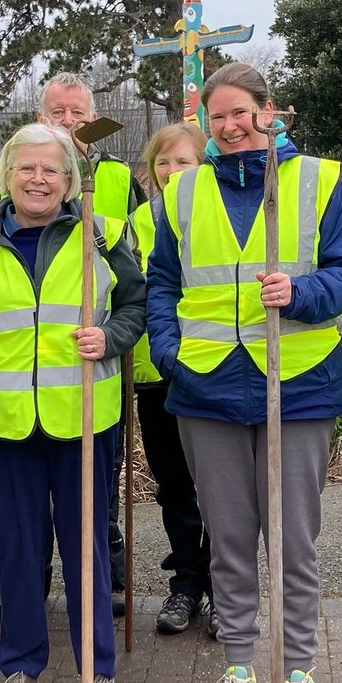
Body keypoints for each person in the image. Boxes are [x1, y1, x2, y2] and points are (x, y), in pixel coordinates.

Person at [145, 62, 342, 683]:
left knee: (293, 542)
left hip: (295, 387)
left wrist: (300, 296)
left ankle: (297, 676)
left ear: (268, 111)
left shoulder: (316, 181)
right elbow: (161, 282)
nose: (230, 125)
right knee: (230, 541)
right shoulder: (183, 191)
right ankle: (240, 670)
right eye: (217, 116)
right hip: (206, 388)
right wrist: (169, 353)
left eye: (242, 111)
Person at [0, 124, 144, 683]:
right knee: (19, 553)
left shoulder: (100, 236)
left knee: (88, 552)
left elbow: (136, 303)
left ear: (70, 180)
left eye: (52, 170)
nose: (39, 179)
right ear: (6, 176)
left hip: (84, 421)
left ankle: (97, 675)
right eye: (26, 168)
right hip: (2, 425)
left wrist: (111, 336)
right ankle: (20, 671)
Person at [0, 72, 145, 618]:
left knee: (92, 510)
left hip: (87, 383)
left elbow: (135, 280)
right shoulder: (21, 167)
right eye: (59, 112)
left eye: (79, 113)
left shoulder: (121, 178)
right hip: (15, 397)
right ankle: (20, 590)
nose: (70, 122)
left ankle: (102, 593)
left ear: (93, 117)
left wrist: (114, 335)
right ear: (41, 115)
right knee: (20, 517)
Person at [132, 122, 217, 638]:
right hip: (155, 373)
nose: (171, 171)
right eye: (163, 162)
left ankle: (223, 589)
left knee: (219, 490)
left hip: (210, 369)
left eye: (183, 161)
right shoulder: (134, 223)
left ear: (204, 167)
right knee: (174, 488)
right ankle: (186, 584)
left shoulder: (216, 219)